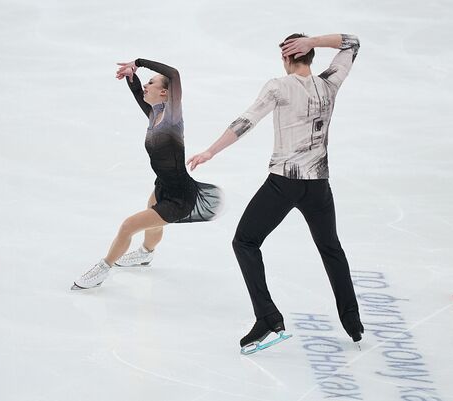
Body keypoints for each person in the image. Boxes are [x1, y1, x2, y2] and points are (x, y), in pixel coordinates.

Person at [187, 33, 364, 353]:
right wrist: (315, 40)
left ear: (286, 58)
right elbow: (352, 43)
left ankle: (267, 316)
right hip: (319, 185)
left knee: (245, 241)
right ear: (309, 55)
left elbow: (246, 121)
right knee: (331, 248)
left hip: (284, 184)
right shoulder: (330, 83)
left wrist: (211, 151)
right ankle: (352, 321)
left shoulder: (278, 87)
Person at [72, 58, 223, 290]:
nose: (146, 86)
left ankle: (102, 269)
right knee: (152, 222)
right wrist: (132, 78)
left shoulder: (172, 117)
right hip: (163, 185)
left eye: (150, 83)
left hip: (178, 197)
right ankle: (146, 253)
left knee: (128, 226)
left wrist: (139, 63)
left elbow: (173, 74)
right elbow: (138, 95)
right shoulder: (156, 114)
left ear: (164, 92)